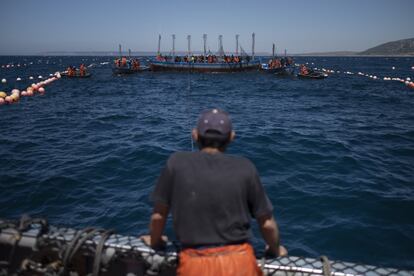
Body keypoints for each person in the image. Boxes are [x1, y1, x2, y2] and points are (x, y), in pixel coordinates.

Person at [141, 109, 287, 276]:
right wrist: (275, 250)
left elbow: (158, 216)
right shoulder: (245, 167)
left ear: (195, 135)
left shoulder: (176, 163)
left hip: (195, 265)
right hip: (240, 264)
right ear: (232, 137)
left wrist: (156, 241)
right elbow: (267, 223)